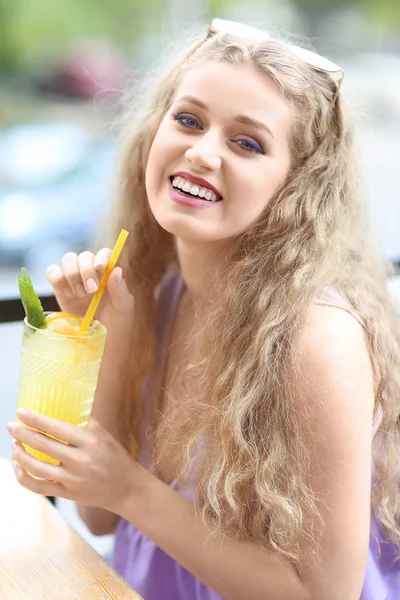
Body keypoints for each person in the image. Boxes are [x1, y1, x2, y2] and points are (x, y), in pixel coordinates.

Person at [6, 18, 400, 600]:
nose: (201, 152)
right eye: (188, 119)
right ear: (153, 132)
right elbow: (98, 518)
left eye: (247, 143)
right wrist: (112, 334)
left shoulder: (315, 340)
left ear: (295, 186)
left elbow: (325, 595)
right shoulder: (162, 292)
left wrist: (130, 489)